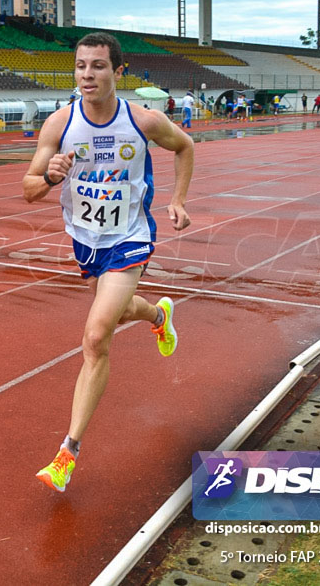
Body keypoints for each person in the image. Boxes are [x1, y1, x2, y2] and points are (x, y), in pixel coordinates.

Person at [22, 32, 193, 493]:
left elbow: (185, 147)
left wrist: (177, 200)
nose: (87, 75)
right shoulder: (59, 124)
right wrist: (49, 177)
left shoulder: (144, 121)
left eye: (98, 66)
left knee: (97, 335)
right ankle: (158, 314)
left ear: (119, 72)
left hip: (131, 237)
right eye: (80, 66)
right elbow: (28, 188)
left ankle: (67, 453)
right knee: (116, 310)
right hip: (85, 240)